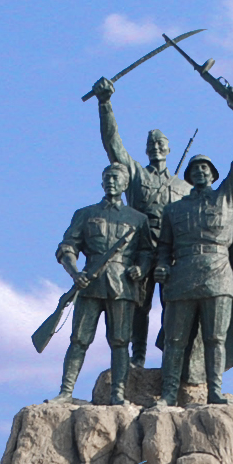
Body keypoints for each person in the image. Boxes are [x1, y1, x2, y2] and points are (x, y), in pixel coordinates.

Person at [156, 82, 233, 405]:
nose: (200, 172)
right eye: (195, 168)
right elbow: (164, 247)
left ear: (213, 174)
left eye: (205, 168)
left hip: (218, 274)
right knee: (175, 340)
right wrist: (162, 265)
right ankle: (167, 394)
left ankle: (214, 392)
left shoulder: (227, 198)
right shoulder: (174, 209)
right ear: (188, 176)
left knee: (215, 339)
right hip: (182, 276)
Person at [89, 81, 186, 375]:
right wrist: (105, 104)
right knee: (139, 307)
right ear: (146, 149)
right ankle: (138, 356)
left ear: (169, 148)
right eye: (151, 144)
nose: (156, 147)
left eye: (161, 143)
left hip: (171, 252)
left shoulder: (184, 186)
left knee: (172, 307)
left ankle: (172, 358)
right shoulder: (135, 175)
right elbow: (113, 144)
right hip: (139, 248)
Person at [51, 162, 150, 403]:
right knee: (79, 340)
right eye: (107, 177)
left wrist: (141, 268)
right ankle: (66, 392)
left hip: (122, 285)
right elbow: (67, 247)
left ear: (125, 184)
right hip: (90, 283)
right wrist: (75, 273)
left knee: (120, 342)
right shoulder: (85, 214)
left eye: (116, 178)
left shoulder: (137, 219)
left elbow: (147, 251)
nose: (111, 181)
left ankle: (118, 393)